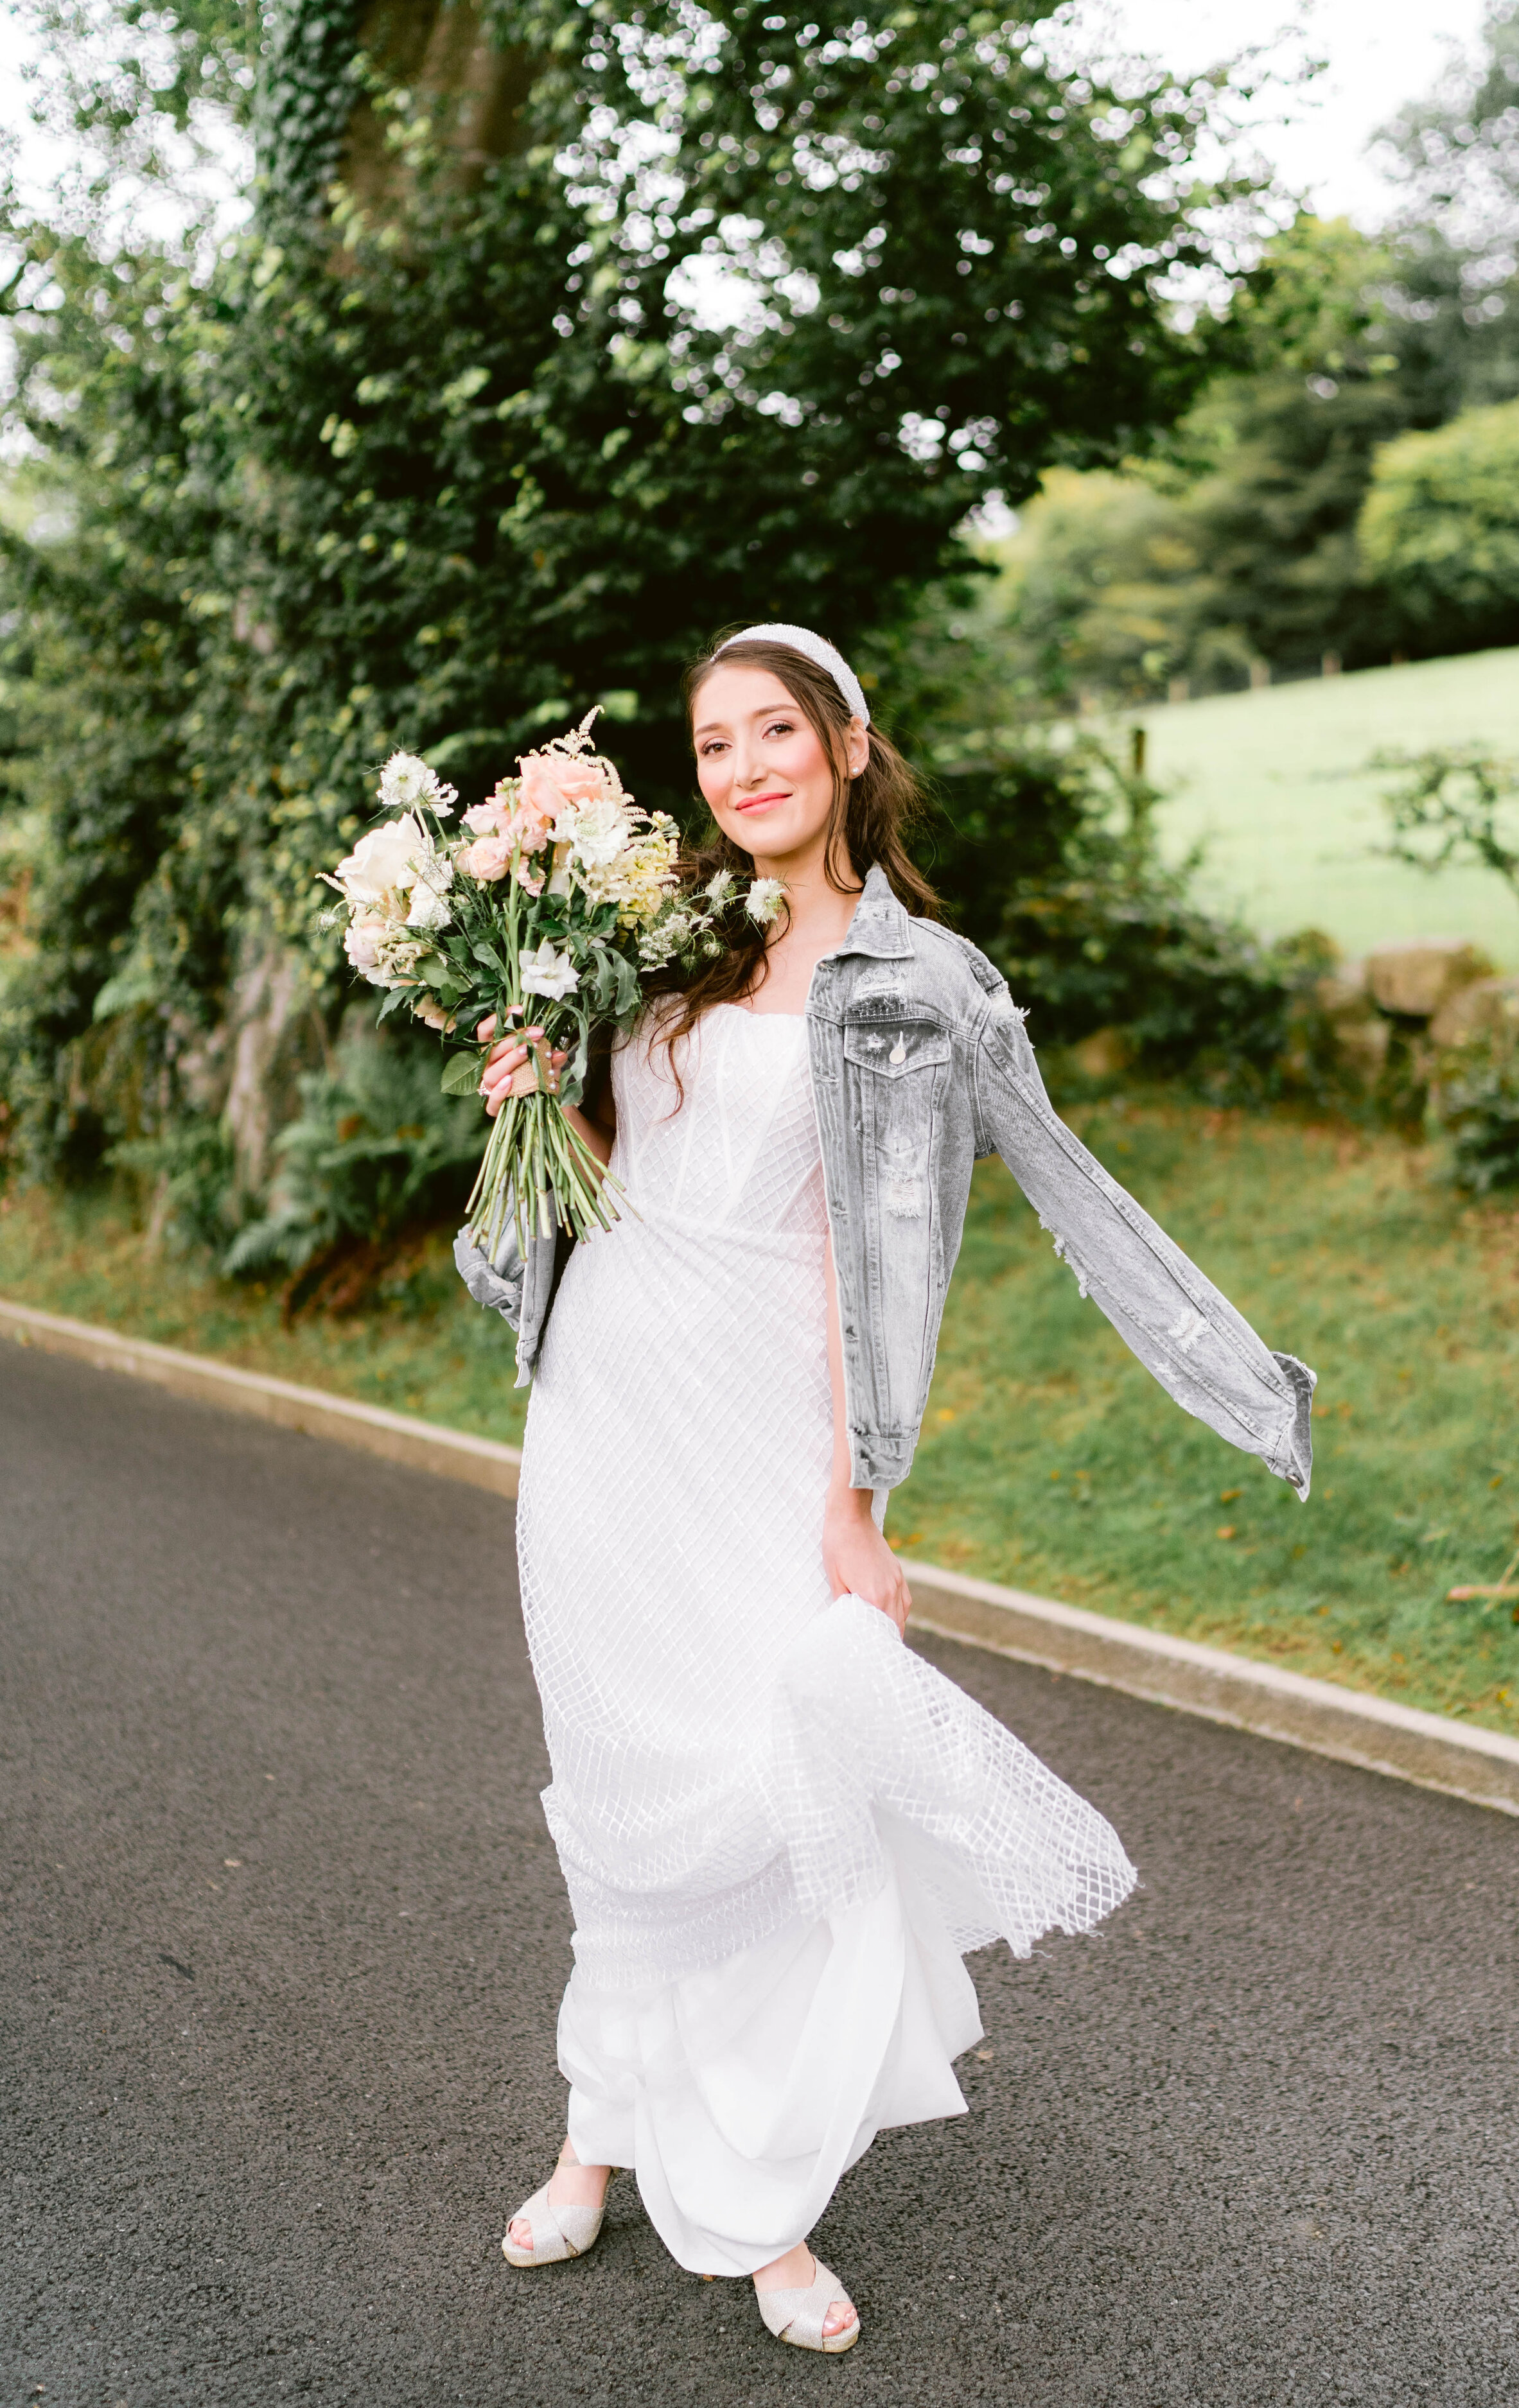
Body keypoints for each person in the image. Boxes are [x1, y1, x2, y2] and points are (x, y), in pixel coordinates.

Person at [458, 624, 1315, 2354]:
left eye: (775, 730)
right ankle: (596, 2135)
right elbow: (619, 1163)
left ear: (849, 744)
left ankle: (764, 2202)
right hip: (607, 1409)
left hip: (767, 1418)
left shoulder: (918, 980)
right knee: (621, 1791)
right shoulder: (654, 940)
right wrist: (536, 1093)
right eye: (712, 746)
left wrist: (857, 1497)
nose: (744, 767)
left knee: (773, 1794)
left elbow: (883, 1258)